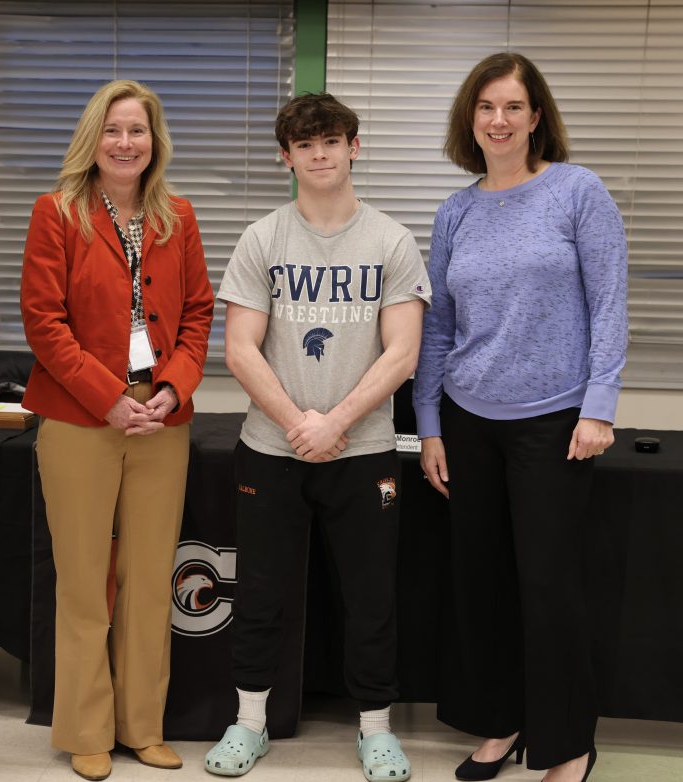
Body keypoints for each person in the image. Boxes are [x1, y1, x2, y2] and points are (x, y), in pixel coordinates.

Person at [413, 53, 628, 782]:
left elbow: (609, 302)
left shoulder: (577, 191)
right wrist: (430, 423)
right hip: (468, 419)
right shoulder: (456, 211)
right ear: (469, 119)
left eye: (512, 106)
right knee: (481, 584)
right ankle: (499, 723)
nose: (498, 120)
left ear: (537, 116)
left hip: (554, 421)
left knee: (548, 588)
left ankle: (567, 744)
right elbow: (439, 326)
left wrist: (599, 408)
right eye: (486, 107)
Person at [205, 93, 430, 780]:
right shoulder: (262, 240)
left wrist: (335, 422)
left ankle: (376, 730)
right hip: (271, 450)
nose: (320, 155)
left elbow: (403, 353)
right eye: (305, 145)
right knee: (260, 592)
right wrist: (298, 423)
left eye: (332, 141)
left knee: (371, 598)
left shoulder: (391, 241)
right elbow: (240, 348)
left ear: (354, 147)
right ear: (287, 157)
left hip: (363, 452)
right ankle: (249, 723)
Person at [20, 79, 213, 781]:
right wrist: (107, 398)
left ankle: (141, 726)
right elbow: (44, 321)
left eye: (137, 130)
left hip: (160, 417)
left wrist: (173, 388)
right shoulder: (57, 212)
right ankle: (86, 729)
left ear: (154, 142)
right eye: (112, 130)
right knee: (83, 579)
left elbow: (198, 313)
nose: (126, 143)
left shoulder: (177, 216)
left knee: (148, 577)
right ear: (91, 140)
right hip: (81, 415)